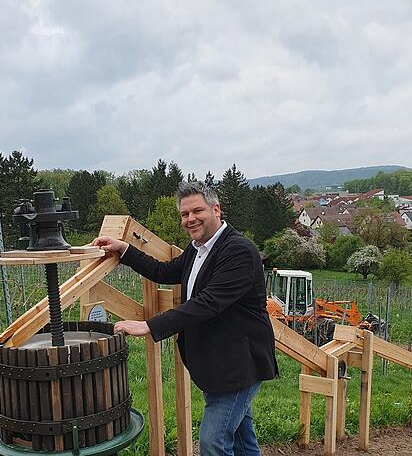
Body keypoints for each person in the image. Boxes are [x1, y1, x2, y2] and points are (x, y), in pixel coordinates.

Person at [91, 181, 277, 456]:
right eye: (184, 214)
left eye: (197, 211)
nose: (190, 219)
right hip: (218, 365)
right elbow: (164, 271)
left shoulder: (238, 251)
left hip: (238, 366)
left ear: (216, 209)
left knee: (213, 444)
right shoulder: (199, 248)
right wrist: (124, 249)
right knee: (241, 440)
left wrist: (149, 325)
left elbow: (208, 303)